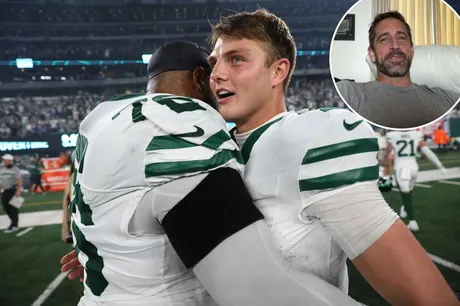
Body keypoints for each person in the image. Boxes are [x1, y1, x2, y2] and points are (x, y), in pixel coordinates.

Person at [61, 40, 361, 306]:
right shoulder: (178, 126)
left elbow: (129, 214)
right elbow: (257, 290)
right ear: (199, 78)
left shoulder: (105, 120)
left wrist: (113, 254)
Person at [207, 8, 459, 305]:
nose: (217, 74)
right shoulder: (212, 149)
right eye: (214, 63)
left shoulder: (312, 140)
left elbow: (429, 299)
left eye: (236, 59)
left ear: (278, 71)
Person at [336, 11, 460, 129]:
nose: (395, 45)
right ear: (372, 54)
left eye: (401, 38)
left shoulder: (447, 98)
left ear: (411, 51)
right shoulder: (348, 92)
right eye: (384, 39)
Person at [385, 130, 447, 231]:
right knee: (408, 191)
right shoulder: (415, 134)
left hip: (402, 167)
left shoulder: (392, 135)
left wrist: (384, 162)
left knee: (405, 192)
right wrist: (440, 165)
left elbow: (388, 151)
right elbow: (427, 151)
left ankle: (412, 222)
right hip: (414, 167)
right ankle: (405, 207)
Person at [0, 154, 22, 233]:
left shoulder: (16, 169)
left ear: (10, 161)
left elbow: (19, 180)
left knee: (14, 209)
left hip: (14, 190)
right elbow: (1, 181)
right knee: (6, 208)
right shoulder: (2, 169)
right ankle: (13, 223)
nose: (4, 161)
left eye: (6, 160)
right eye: (4, 160)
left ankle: (14, 225)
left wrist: (18, 190)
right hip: (5, 191)